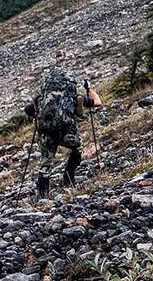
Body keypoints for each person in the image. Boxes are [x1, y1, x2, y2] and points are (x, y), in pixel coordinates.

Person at [23, 67, 101, 199]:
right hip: (67, 134)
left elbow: (27, 110)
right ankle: (68, 177)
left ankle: (42, 196)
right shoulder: (75, 98)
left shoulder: (42, 99)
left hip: (47, 136)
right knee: (77, 147)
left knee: (46, 163)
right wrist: (89, 89)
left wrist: (39, 113)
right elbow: (98, 102)